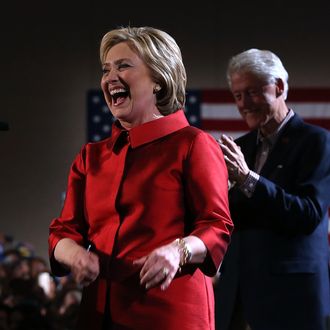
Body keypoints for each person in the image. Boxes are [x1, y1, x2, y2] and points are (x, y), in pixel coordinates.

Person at [48, 26, 233, 330]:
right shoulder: (90, 156)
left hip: (169, 312)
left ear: (158, 79)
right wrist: (75, 256)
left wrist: (178, 251)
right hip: (98, 314)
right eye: (106, 69)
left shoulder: (193, 144)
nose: (110, 78)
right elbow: (63, 231)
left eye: (124, 66)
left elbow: (216, 225)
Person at [215, 48, 330, 330]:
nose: (244, 104)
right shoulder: (239, 148)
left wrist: (247, 178)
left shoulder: (316, 142)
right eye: (238, 95)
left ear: (278, 87)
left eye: (252, 92)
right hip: (237, 295)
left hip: (292, 296)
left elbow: (308, 214)